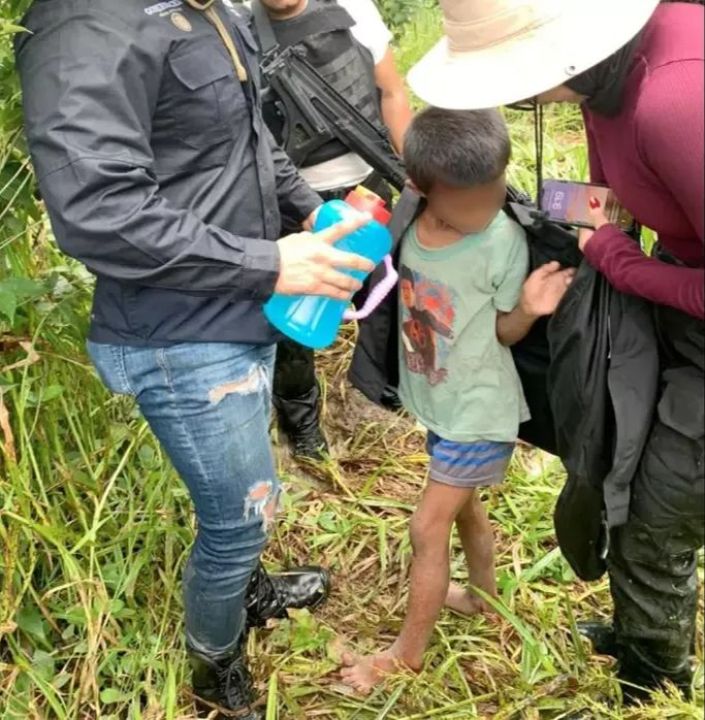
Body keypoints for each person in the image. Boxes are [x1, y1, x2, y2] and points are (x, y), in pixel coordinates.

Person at [15, 1, 376, 717]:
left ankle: (249, 589)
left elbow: (247, 136)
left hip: (246, 302)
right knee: (238, 518)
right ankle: (215, 666)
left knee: (253, 493)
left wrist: (305, 208)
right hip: (180, 335)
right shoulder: (86, 24)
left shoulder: (214, 10)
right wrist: (263, 261)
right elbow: (97, 209)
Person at [408, 0, 704, 704]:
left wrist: (615, 259)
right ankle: (641, 632)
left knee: (656, 516)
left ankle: (652, 686)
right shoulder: (605, 79)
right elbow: (610, 194)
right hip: (677, 301)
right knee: (620, 471)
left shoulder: (674, 99)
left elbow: (616, 233)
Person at [341, 107, 574, 694]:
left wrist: (528, 309)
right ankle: (485, 596)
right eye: (468, 201)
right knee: (464, 507)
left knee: (428, 526)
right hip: (438, 399)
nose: (486, 209)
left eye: (494, 191)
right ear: (422, 188)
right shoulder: (410, 217)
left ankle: (405, 656)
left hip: (478, 408)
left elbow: (503, 332)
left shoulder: (502, 240)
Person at [254, 0, 414, 459]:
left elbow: (391, 93)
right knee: (294, 319)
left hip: (368, 186)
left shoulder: (353, 8)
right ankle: (300, 421)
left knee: (383, 293)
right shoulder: (241, 25)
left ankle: (383, 386)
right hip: (289, 199)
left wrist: (411, 171)